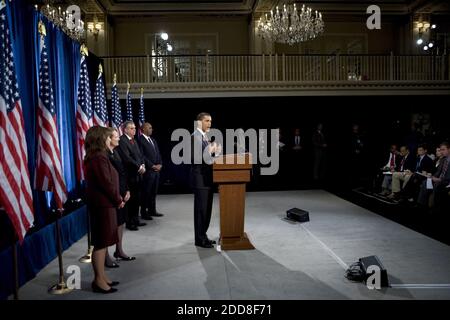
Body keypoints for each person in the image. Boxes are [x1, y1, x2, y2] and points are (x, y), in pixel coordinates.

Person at [84, 126, 124, 294]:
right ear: (100, 139)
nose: (110, 139)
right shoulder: (98, 158)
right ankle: (98, 280)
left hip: (105, 204)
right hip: (103, 205)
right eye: (108, 137)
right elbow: (106, 183)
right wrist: (118, 199)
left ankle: (102, 276)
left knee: (104, 241)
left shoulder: (98, 156)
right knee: (101, 243)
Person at [190, 112, 221, 248]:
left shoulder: (203, 136)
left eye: (210, 121)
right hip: (200, 178)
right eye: (207, 121)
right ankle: (200, 239)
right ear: (199, 122)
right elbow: (198, 158)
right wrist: (211, 149)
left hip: (207, 178)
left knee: (206, 210)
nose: (210, 123)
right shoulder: (194, 137)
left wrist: (215, 151)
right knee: (201, 210)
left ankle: (204, 235)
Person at [106, 127, 136, 262]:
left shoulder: (115, 152)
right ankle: (105, 255)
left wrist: (127, 190)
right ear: (107, 139)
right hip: (113, 197)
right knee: (108, 227)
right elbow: (108, 180)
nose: (119, 138)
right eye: (116, 136)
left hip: (122, 194)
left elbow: (122, 173)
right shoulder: (104, 155)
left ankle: (119, 250)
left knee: (120, 222)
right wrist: (118, 197)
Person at [117, 121, 146, 231]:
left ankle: (136, 219)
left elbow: (140, 155)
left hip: (138, 175)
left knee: (137, 199)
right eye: (132, 128)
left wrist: (142, 164)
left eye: (134, 128)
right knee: (131, 200)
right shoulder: (122, 141)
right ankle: (130, 222)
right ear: (125, 129)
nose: (134, 130)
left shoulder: (134, 140)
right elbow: (126, 158)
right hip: (130, 175)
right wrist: (139, 167)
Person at [138, 122, 164, 219]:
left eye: (151, 128)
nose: (151, 129)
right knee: (146, 192)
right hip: (148, 171)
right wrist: (152, 166)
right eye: (149, 128)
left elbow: (158, 153)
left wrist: (160, 164)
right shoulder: (140, 140)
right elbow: (142, 156)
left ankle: (152, 210)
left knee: (154, 192)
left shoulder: (153, 140)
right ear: (143, 129)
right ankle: (144, 212)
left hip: (156, 171)